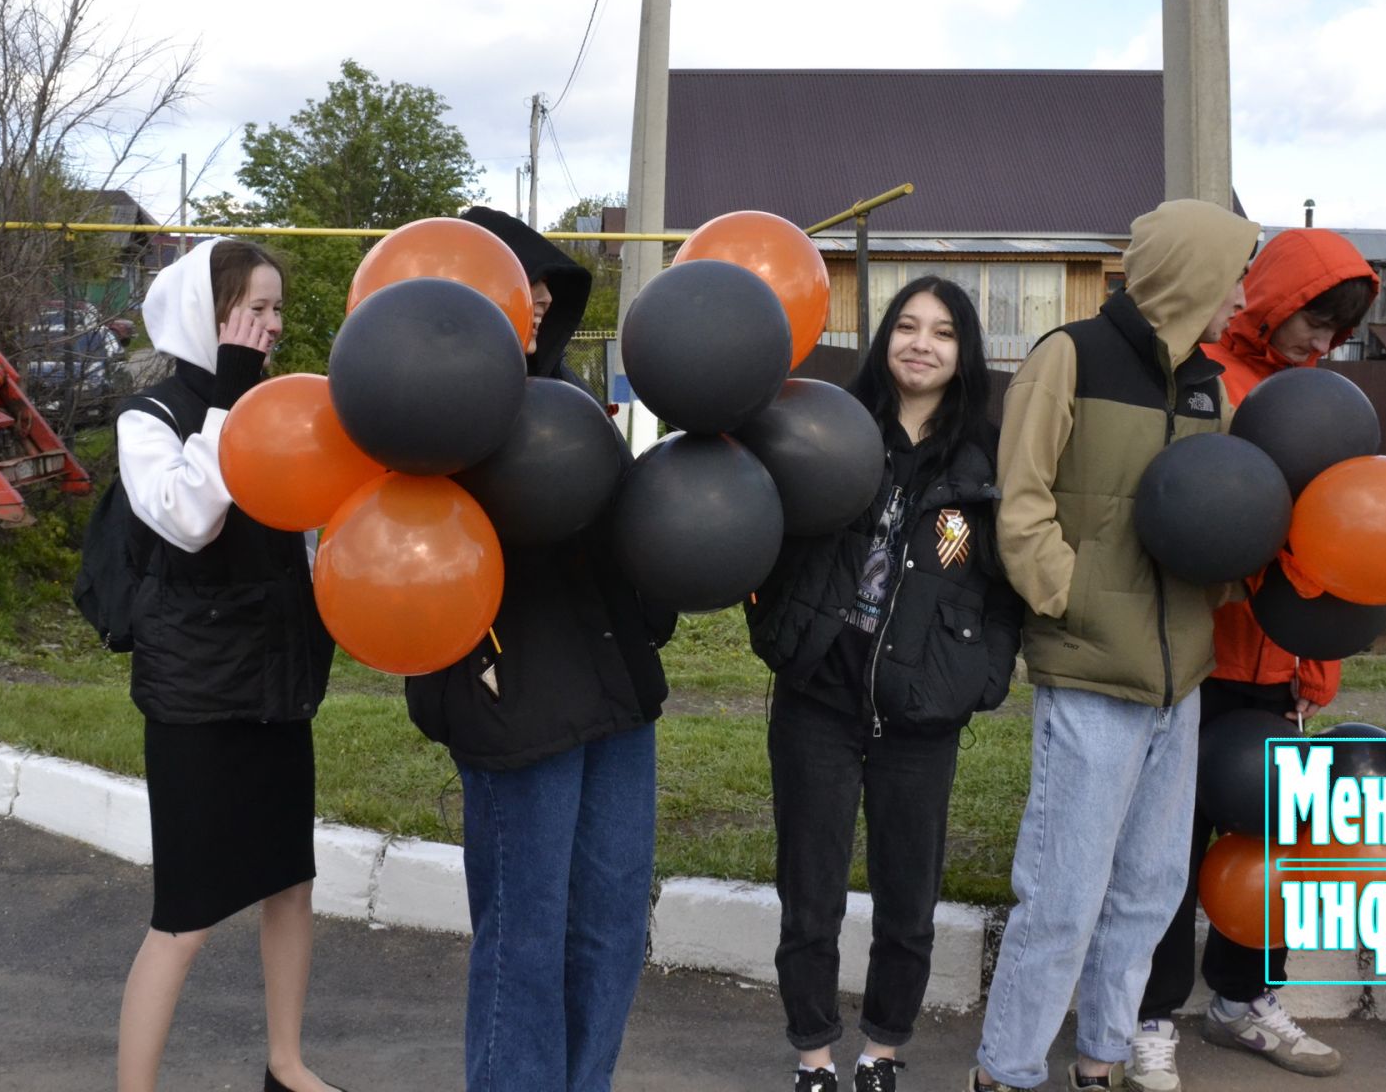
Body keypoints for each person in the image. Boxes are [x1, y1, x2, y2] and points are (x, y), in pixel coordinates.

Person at [969, 198, 1258, 1092]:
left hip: (1182, 677)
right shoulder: (1070, 355)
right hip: (1093, 672)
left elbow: (1217, 514)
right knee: (1060, 897)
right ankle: (1006, 1072)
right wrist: (1073, 600)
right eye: (1233, 272)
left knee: (1147, 893)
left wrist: (1212, 596)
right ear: (1190, 271)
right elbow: (1018, 502)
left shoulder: (1209, 383)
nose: (1241, 296)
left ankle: (1102, 1059)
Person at [404, 206, 677, 1092]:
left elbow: (632, 545)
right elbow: (405, 576)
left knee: (608, 931)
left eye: (549, 294)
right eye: (523, 290)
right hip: (515, 708)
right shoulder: (429, 427)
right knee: (526, 940)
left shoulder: (578, 409)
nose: (538, 307)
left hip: (616, 704)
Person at [746, 277, 1024, 1092]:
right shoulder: (832, 429)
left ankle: (882, 1052)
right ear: (884, 338)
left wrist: (982, 674)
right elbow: (763, 526)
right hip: (819, 701)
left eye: (942, 332)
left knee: (908, 899)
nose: (922, 343)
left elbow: (1005, 589)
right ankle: (814, 1057)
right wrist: (777, 626)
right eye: (907, 325)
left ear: (963, 352)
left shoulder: (986, 460)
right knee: (811, 891)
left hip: (922, 715)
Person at [1127, 227, 1378, 1089]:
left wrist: (1316, 669)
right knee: (1166, 850)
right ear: (1271, 297)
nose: (1321, 340)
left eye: (1338, 328)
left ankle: (1246, 1001)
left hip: (1279, 670)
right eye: (1314, 316)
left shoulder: (1329, 405)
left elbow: (1339, 541)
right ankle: (1147, 1013)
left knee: (1280, 837)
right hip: (1197, 656)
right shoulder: (1201, 378)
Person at [112, 237, 340, 1092]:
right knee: (187, 915)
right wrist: (233, 395)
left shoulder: (280, 405)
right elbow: (189, 518)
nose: (270, 325)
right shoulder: (153, 416)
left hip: (279, 684)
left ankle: (286, 1063)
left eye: (276, 308)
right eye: (252, 308)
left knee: (290, 884)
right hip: (198, 696)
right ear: (202, 315)